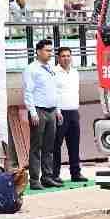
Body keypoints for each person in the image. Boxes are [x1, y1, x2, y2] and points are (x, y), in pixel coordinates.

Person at [23, 39, 63, 189]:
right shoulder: (31, 69)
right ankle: (34, 180)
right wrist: (32, 112)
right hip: (39, 111)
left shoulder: (50, 68)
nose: (50, 53)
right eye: (47, 50)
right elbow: (28, 92)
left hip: (51, 110)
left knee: (49, 146)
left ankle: (47, 176)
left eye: (51, 50)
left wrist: (58, 110)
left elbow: (54, 91)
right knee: (36, 147)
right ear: (39, 51)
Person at [51, 46, 86, 183]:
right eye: (63, 56)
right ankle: (55, 174)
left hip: (73, 112)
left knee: (74, 144)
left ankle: (75, 173)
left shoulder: (75, 72)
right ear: (58, 58)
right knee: (56, 145)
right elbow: (53, 93)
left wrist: (77, 110)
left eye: (68, 56)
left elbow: (75, 92)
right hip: (60, 113)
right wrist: (57, 111)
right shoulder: (53, 72)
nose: (66, 58)